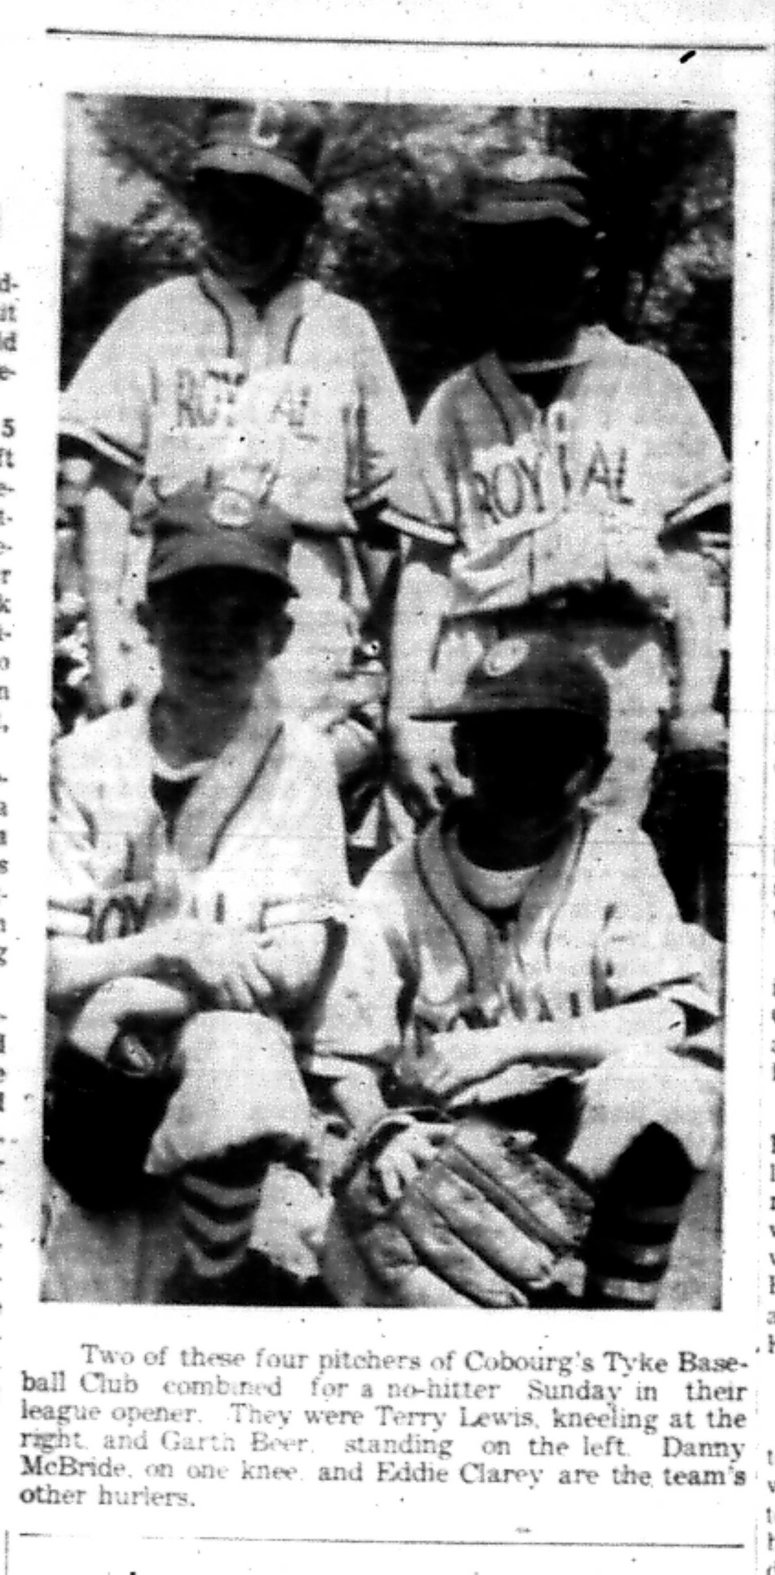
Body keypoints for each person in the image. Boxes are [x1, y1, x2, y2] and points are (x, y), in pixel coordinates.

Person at [307, 632, 722, 1309]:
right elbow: (342, 1055)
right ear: (464, 754)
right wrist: (383, 1130)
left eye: (553, 754)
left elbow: (671, 1013)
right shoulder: (395, 880)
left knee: (663, 1085)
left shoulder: (616, 849)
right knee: (358, 1263)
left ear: (594, 768)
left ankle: (618, 1309)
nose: (526, 776)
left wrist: (510, 1042)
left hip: (582, 1142)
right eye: (503, 750)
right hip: (451, 1145)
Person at [59, 98, 437, 795]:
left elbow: (387, 524)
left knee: (283, 816)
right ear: (198, 204)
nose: (246, 225)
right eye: (227, 201)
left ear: (304, 216)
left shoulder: (345, 330)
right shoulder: (155, 316)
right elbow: (109, 498)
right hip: (169, 610)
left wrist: (402, 680)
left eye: (270, 203)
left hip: (303, 617)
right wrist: (108, 650)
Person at [44, 476, 349, 1304]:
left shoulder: (303, 762)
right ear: (146, 621)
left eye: (242, 618)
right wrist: (178, 945)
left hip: (222, 1090)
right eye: (190, 614)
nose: (215, 642)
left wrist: (125, 988)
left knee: (241, 1051)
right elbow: (41, 967)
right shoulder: (84, 759)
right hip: (91, 1086)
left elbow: (291, 965)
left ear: (280, 633)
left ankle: (214, 1289)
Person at [390, 152, 730, 823]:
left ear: (590, 258)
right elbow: (424, 572)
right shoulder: (454, 403)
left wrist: (694, 701)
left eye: (549, 248)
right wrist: (405, 714)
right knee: (480, 859)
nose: (527, 271)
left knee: (598, 869)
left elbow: (687, 564)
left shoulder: (650, 383)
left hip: (614, 655)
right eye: (505, 250)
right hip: (483, 658)